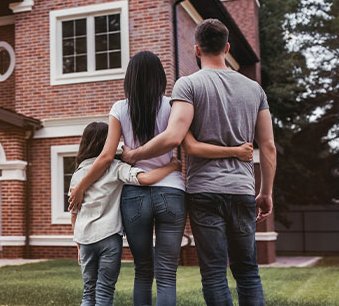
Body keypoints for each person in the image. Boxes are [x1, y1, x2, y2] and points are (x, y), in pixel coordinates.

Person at [69, 50, 253, 306]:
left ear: (129, 78)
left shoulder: (119, 108)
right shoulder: (172, 106)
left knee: (143, 271)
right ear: (160, 77)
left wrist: (81, 187)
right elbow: (188, 143)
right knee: (167, 275)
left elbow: (105, 157)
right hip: (171, 193)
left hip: (134, 195)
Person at [121, 19, 277, 306]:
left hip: (204, 191)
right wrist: (265, 192)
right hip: (242, 189)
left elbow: (173, 138)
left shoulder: (189, 85)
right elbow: (267, 145)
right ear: (227, 48)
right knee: (248, 271)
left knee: (214, 273)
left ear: (196, 49)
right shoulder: (255, 89)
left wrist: (134, 155)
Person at [70, 121, 181, 306]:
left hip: (85, 239)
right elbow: (145, 179)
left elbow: (73, 212)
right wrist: (173, 166)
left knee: (88, 293)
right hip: (108, 238)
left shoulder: (78, 173)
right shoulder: (115, 167)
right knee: (105, 291)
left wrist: (78, 243)